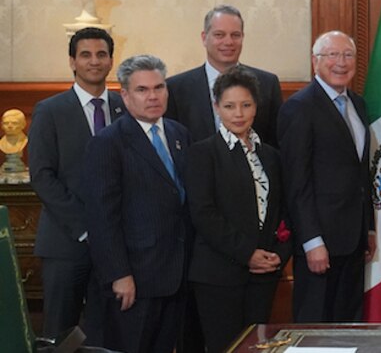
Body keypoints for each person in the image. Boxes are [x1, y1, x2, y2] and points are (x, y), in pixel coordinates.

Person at [82, 55, 191, 353]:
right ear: (126, 96)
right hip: (134, 280)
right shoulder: (108, 143)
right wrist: (119, 274)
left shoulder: (179, 134)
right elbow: (102, 217)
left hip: (176, 274)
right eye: (143, 90)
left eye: (159, 87)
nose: (153, 96)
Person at [28, 28, 125, 342]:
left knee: (106, 333)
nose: (94, 62)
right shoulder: (49, 111)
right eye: (85, 55)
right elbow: (42, 176)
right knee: (61, 334)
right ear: (72, 61)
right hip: (66, 243)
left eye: (101, 54)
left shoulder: (124, 107)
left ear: (111, 60)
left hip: (115, 247)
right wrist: (86, 228)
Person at [184, 67, 292, 351]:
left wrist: (278, 255)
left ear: (256, 106)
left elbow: (282, 211)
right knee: (226, 347)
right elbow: (204, 215)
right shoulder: (203, 153)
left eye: (246, 105)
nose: (239, 113)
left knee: (259, 347)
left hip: (263, 274)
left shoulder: (270, 155)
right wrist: (247, 254)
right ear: (216, 107)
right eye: (230, 106)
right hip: (219, 276)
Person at [278, 30, 375, 322]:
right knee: (316, 323)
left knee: (348, 323)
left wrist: (368, 228)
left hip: (354, 239)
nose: (341, 62)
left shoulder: (358, 105)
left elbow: (361, 175)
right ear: (315, 62)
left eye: (347, 55)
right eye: (332, 55)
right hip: (319, 242)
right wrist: (311, 240)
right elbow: (296, 182)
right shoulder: (299, 107)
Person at [166, 5, 283, 146]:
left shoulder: (267, 84)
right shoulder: (176, 88)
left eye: (235, 35)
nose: (228, 42)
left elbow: (275, 142)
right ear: (204, 38)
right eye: (219, 35)